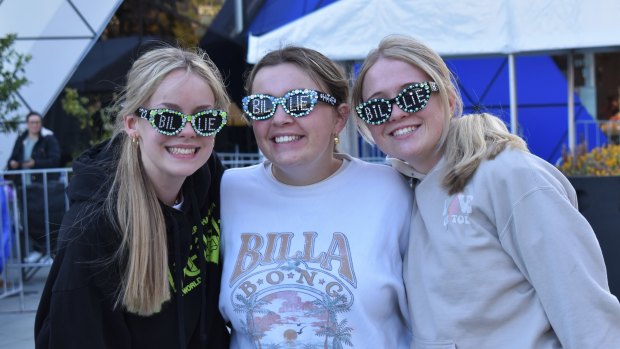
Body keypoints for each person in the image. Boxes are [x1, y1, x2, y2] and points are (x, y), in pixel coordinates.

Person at [351, 34, 620, 348]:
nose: (396, 113)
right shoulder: (398, 192)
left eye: (412, 96)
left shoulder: (512, 176)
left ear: (450, 100)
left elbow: (589, 317)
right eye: (377, 107)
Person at [34, 46, 231, 348]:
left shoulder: (211, 181)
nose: (189, 131)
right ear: (132, 124)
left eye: (205, 118)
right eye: (168, 117)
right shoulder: (95, 226)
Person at [218, 46, 412, 348]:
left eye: (299, 103)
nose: (280, 118)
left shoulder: (392, 190)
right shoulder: (227, 190)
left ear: (340, 117)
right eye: (261, 105)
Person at [6, 111, 62, 262]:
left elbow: (55, 160)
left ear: (41, 123)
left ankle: (49, 252)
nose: (35, 125)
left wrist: (35, 164)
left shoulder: (48, 138)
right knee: (27, 220)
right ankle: (39, 250)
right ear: (27, 124)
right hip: (24, 187)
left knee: (46, 219)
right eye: (32, 122)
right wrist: (12, 164)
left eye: (37, 122)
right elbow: (13, 158)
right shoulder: (22, 138)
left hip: (42, 188)